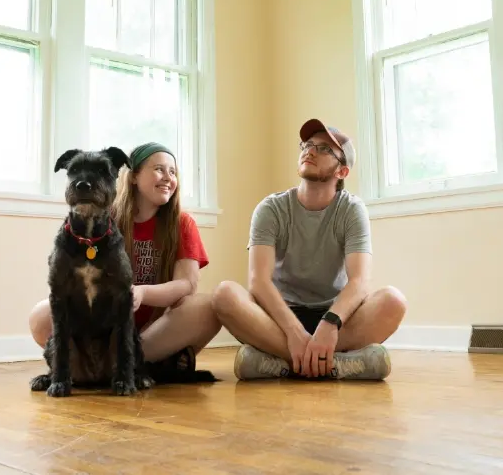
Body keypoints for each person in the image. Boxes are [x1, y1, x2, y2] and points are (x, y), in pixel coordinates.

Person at [212, 118, 407, 381]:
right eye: (307, 144)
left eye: (325, 149)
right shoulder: (271, 208)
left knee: (393, 301)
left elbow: (360, 281)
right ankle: (337, 364)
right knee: (224, 295)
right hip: (280, 316)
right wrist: (293, 331)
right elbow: (259, 281)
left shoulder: (351, 209)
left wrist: (330, 323)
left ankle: (278, 363)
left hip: (335, 316)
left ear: (342, 172)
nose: (310, 151)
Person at [29, 142, 221, 380]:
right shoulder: (104, 217)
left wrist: (141, 293)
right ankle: (129, 366)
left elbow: (187, 285)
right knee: (40, 316)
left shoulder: (183, 223)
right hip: (103, 328)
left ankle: (128, 363)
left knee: (209, 307)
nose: (168, 178)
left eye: (173, 172)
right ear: (133, 176)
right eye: (159, 169)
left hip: (155, 330)